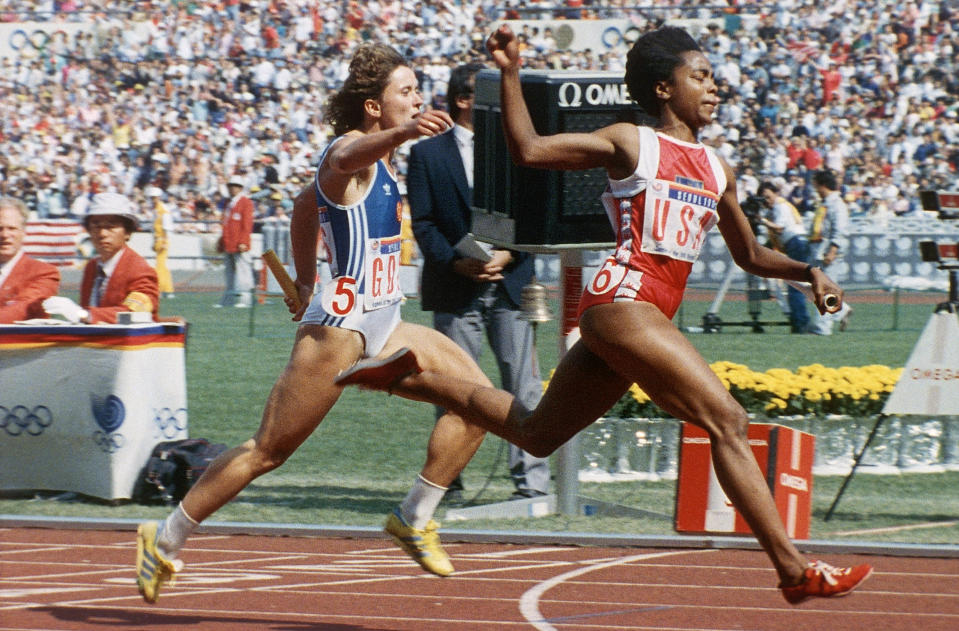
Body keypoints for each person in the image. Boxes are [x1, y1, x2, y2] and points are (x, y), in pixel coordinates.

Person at [336, 25, 873, 605]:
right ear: (664, 89)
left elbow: (749, 255)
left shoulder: (717, 169)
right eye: (701, 77)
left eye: (715, 78)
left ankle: (403, 378)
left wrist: (807, 272)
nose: (715, 88)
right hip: (624, 303)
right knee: (728, 421)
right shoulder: (633, 142)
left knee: (537, 434)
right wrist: (511, 76)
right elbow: (531, 151)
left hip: (642, 317)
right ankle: (793, 570)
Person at [135, 43, 492, 604]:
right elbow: (343, 162)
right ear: (374, 107)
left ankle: (413, 516)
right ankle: (165, 538)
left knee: (478, 402)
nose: (419, 99)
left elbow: (304, 210)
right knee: (269, 451)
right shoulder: (349, 152)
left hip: (386, 322)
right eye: (406, 91)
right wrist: (403, 134)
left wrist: (304, 280)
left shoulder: (381, 162)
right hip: (339, 331)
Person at [407, 61, 550, 502]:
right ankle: (445, 483)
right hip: (456, 288)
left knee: (523, 386)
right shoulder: (427, 153)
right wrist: (455, 262)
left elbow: (535, 211)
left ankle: (533, 486)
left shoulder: (517, 147)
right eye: (486, 93)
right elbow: (424, 222)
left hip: (511, 286)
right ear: (464, 100)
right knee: (453, 389)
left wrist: (512, 253)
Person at [43, 192, 159, 324]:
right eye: (96, 226)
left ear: (127, 233)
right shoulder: (92, 267)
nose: (102, 233)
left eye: (111, 226)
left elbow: (133, 314)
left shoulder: (140, 271)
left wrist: (82, 314)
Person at [758, 180, 812, 333]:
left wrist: (761, 220)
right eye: (763, 198)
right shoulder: (779, 207)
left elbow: (780, 228)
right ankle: (802, 320)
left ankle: (800, 323)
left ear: (776, 193)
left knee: (796, 285)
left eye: (768, 196)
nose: (766, 201)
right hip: (797, 243)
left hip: (795, 243)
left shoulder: (780, 206)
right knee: (801, 284)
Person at [0, 196, 59, 323]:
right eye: (0, 228)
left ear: (23, 231)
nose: (4, 235)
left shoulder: (44, 273)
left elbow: (22, 308)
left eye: (12, 228)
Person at [808, 169, 852, 335]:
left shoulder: (837, 204)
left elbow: (840, 230)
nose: (815, 189)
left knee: (824, 289)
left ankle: (823, 327)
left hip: (829, 253)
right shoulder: (825, 203)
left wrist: (833, 250)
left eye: (816, 185)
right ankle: (841, 311)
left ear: (823, 185)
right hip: (820, 251)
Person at [215, 176, 254, 308]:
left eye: (235, 186)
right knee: (229, 274)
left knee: (243, 273)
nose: (232, 188)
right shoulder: (228, 203)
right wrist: (222, 242)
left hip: (239, 244)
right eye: (230, 186)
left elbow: (247, 224)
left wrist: (243, 241)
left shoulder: (246, 203)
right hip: (229, 243)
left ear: (240, 188)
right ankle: (228, 299)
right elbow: (225, 224)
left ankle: (244, 299)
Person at [148, 186, 175, 299]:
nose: (153, 200)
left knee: (160, 266)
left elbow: (167, 226)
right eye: (151, 198)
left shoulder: (163, 209)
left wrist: (164, 241)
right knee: (162, 266)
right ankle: (167, 290)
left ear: (159, 197)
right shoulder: (156, 210)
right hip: (158, 239)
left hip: (162, 240)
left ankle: (159, 289)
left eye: (154, 198)